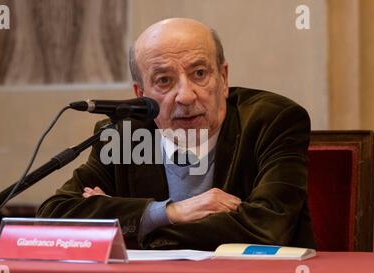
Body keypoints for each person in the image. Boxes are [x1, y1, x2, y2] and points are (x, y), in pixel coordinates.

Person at [37, 18, 315, 250]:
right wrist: (169, 212)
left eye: (199, 73)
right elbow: (53, 218)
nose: (185, 95)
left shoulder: (271, 121)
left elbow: (267, 229)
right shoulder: (126, 134)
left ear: (224, 78)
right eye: (164, 81)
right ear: (140, 94)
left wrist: (134, 229)